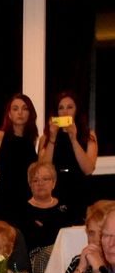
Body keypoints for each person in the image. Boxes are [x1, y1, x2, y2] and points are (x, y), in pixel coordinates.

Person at [37, 90, 98, 222]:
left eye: (70, 107)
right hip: (55, 190)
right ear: (56, 112)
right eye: (61, 108)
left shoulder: (88, 135)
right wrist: (52, 139)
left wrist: (73, 139)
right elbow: (43, 169)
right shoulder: (46, 138)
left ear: (77, 110)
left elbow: (88, 169)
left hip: (80, 190)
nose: (65, 112)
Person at [0, 93, 38, 226]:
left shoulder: (31, 140)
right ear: (9, 114)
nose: (20, 112)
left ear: (30, 114)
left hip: (27, 199)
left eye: (24, 108)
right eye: (15, 109)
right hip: (4, 198)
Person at [59, 201, 114, 273]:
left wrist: (98, 270)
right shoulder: (78, 260)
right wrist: (81, 268)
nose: (96, 240)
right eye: (91, 233)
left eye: (102, 234)